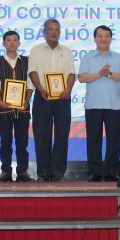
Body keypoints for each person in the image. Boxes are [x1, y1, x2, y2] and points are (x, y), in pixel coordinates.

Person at [28, 18, 76, 182]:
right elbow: (32, 72)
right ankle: (43, 172)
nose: (53, 32)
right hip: (43, 96)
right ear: (44, 32)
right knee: (42, 135)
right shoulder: (36, 50)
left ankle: (58, 172)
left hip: (63, 97)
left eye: (56, 30)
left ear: (60, 33)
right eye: (50, 29)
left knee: (62, 135)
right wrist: (40, 89)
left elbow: (71, 73)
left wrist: (68, 90)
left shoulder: (67, 51)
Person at [79, 25, 120, 182]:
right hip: (93, 105)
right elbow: (81, 78)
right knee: (93, 140)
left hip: (114, 105)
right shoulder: (87, 57)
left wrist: (110, 74)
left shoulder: (118, 57)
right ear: (95, 39)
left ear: (111, 38)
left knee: (114, 140)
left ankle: (111, 172)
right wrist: (100, 74)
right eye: (100, 36)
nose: (103, 39)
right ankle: (95, 172)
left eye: (107, 36)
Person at [0, 31, 34, 182]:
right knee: (5, 141)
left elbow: (30, 84)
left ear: (19, 43)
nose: (12, 43)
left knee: (22, 142)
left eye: (15, 40)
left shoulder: (27, 61)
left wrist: (26, 100)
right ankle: (6, 172)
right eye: (8, 40)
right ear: (3, 43)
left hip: (22, 108)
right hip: (4, 107)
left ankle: (22, 171)